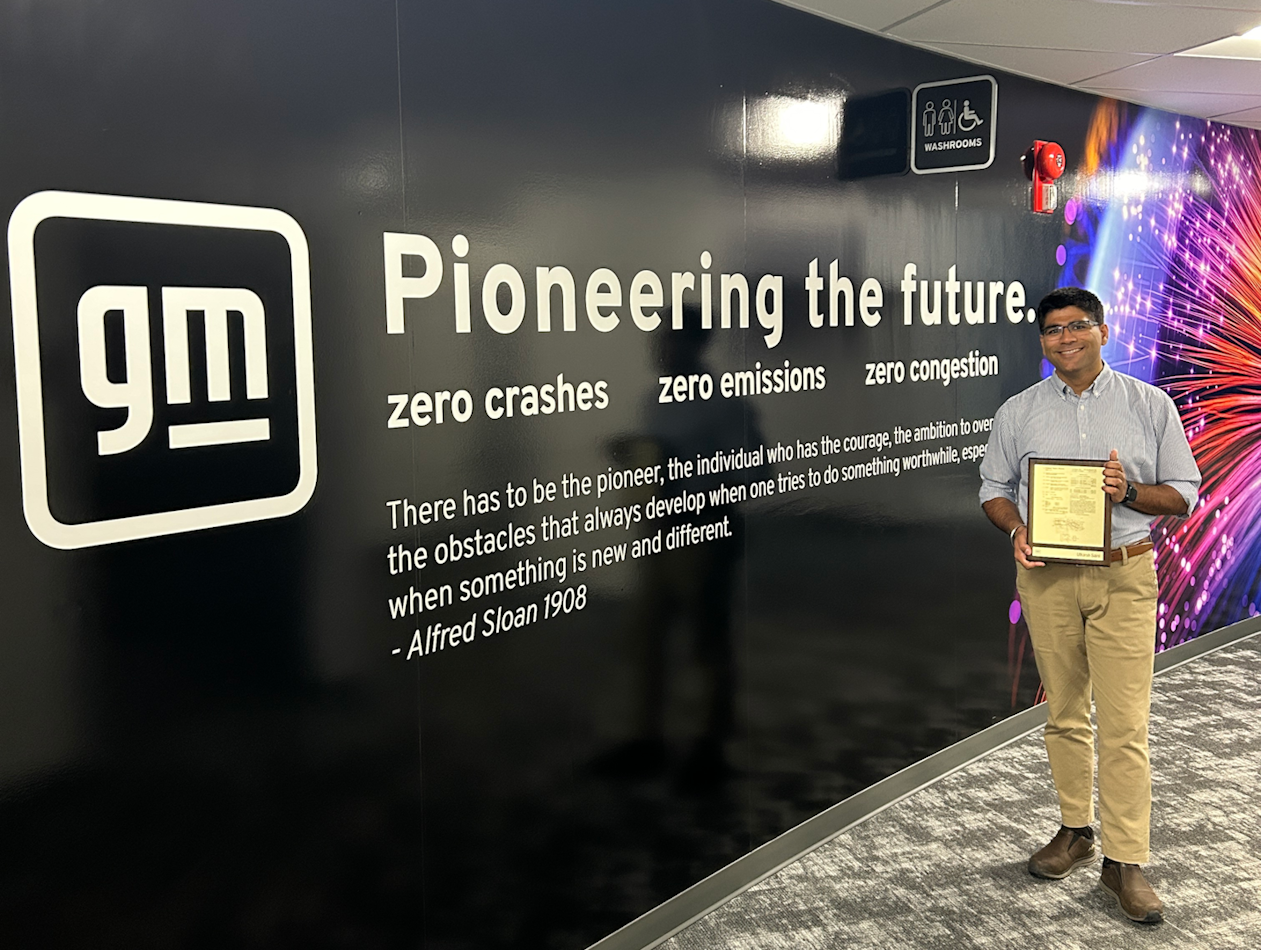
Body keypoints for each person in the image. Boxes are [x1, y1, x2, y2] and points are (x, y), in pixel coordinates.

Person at [978, 287, 1201, 925]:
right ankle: (1076, 832)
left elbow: (1183, 492)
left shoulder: (1149, 405)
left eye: (1078, 327)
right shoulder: (1018, 412)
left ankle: (1125, 863)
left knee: (1125, 722)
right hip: (1047, 582)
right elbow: (994, 489)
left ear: (1104, 331)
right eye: (1052, 330)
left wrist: (1128, 489)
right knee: (1064, 714)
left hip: (1123, 578)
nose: (1065, 338)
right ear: (1042, 341)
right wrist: (1018, 530)